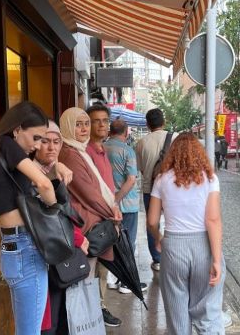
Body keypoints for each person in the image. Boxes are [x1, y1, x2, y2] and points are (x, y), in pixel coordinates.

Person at [0, 101, 61, 335]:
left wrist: (54, 169)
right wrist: (56, 211)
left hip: (12, 248)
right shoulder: (7, 145)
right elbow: (43, 184)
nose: (38, 146)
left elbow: (36, 178)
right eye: (36, 138)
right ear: (17, 129)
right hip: (25, 248)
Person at [147, 133, 224, 334]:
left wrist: (159, 238)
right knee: (208, 312)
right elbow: (213, 220)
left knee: (177, 315)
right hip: (203, 247)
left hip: (173, 246)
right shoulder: (210, 178)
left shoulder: (162, 179)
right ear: (199, 152)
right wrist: (216, 260)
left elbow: (152, 221)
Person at [59, 105, 123, 328]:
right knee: (82, 280)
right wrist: (112, 214)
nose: (84, 128)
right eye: (79, 124)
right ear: (67, 126)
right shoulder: (69, 153)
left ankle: (88, 323)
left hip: (93, 221)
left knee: (90, 279)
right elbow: (88, 192)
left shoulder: (81, 150)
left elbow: (99, 188)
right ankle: (82, 324)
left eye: (86, 123)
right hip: (84, 226)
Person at [34, 120, 87, 335]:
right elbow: (47, 216)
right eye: (45, 141)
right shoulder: (34, 174)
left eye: (56, 142)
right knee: (49, 318)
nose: (52, 147)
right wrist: (77, 238)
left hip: (60, 254)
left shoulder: (55, 170)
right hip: (44, 255)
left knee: (61, 313)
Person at [104, 118, 146, 295]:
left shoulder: (101, 149)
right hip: (126, 204)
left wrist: (110, 200)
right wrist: (117, 199)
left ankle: (112, 278)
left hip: (104, 203)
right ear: (126, 132)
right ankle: (126, 281)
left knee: (110, 240)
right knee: (127, 243)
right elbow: (131, 179)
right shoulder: (127, 151)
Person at [134, 107, 172, 272]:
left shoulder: (141, 143)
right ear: (164, 122)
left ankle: (157, 259)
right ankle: (172, 255)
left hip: (150, 189)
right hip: (173, 190)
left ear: (147, 125)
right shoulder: (175, 138)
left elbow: (141, 169)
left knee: (152, 223)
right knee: (173, 222)